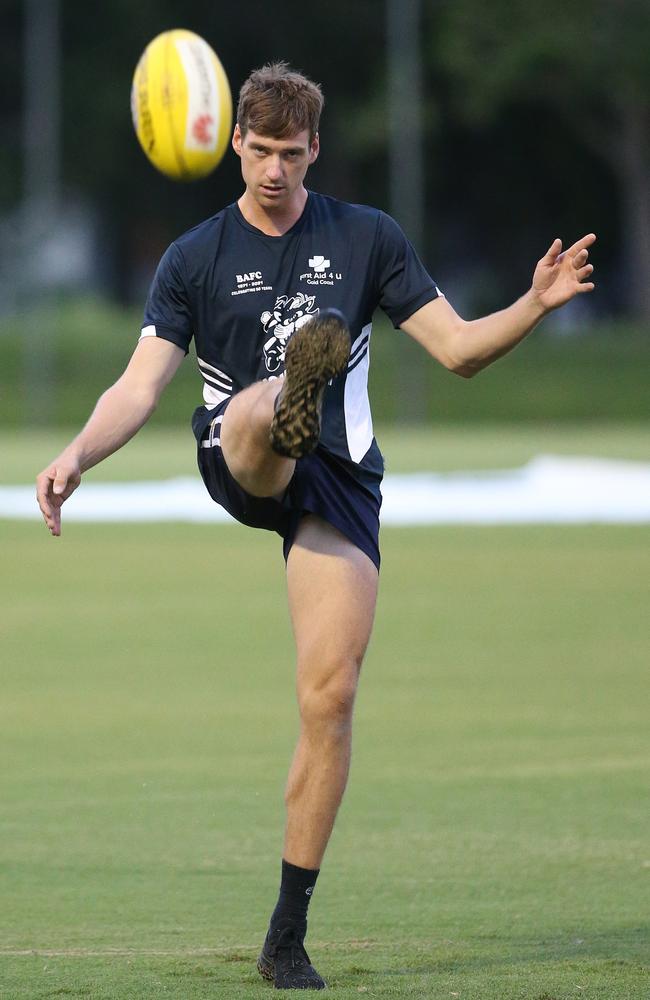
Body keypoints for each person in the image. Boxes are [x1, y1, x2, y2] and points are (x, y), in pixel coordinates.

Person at [36, 62, 595, 991]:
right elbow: (138, 384)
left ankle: (285, 937)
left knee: (329, 700)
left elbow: (456, 352)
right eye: (259, 153)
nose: (274, 172)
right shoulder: (194, 257)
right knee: (259, 409)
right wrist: (78, 456)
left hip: (336, 483)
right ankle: (293, 389)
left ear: (314, 150)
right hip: (241, 454)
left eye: (291, 155)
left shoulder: (368, 237)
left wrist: (534, 303)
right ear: (236, 148)